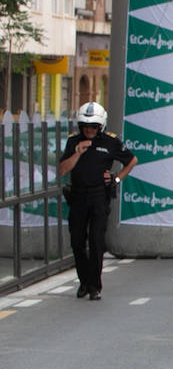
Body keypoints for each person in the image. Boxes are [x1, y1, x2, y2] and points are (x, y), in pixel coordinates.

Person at [58, 101, 137, 301]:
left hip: (99, 196)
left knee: (96, 241)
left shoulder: (110, 142)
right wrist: (78, 152)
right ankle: (83, 280)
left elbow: (132, 160)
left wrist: (117, 178)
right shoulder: (73, 142)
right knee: (77, 241)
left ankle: (94, 286)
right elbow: (62, 170)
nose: (89, 130)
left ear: (100, 126)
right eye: (85, 126)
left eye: (93, 127)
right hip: (77, 196)